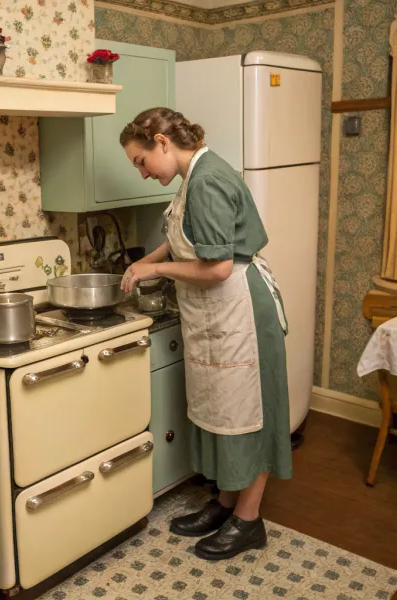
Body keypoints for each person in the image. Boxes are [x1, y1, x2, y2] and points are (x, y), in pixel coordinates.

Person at [119, 107, 292, 561]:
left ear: (161, 141)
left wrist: (153, 267)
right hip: (219, 313)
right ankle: (227, 504)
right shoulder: (194, 176)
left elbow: (215, 267)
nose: (140, 173)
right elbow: (186, 239)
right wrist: (146, 261)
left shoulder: (207, 180)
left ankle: (249, 522)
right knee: (223, 412)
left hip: (239, 312)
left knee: (247, 415)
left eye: (140, 161)